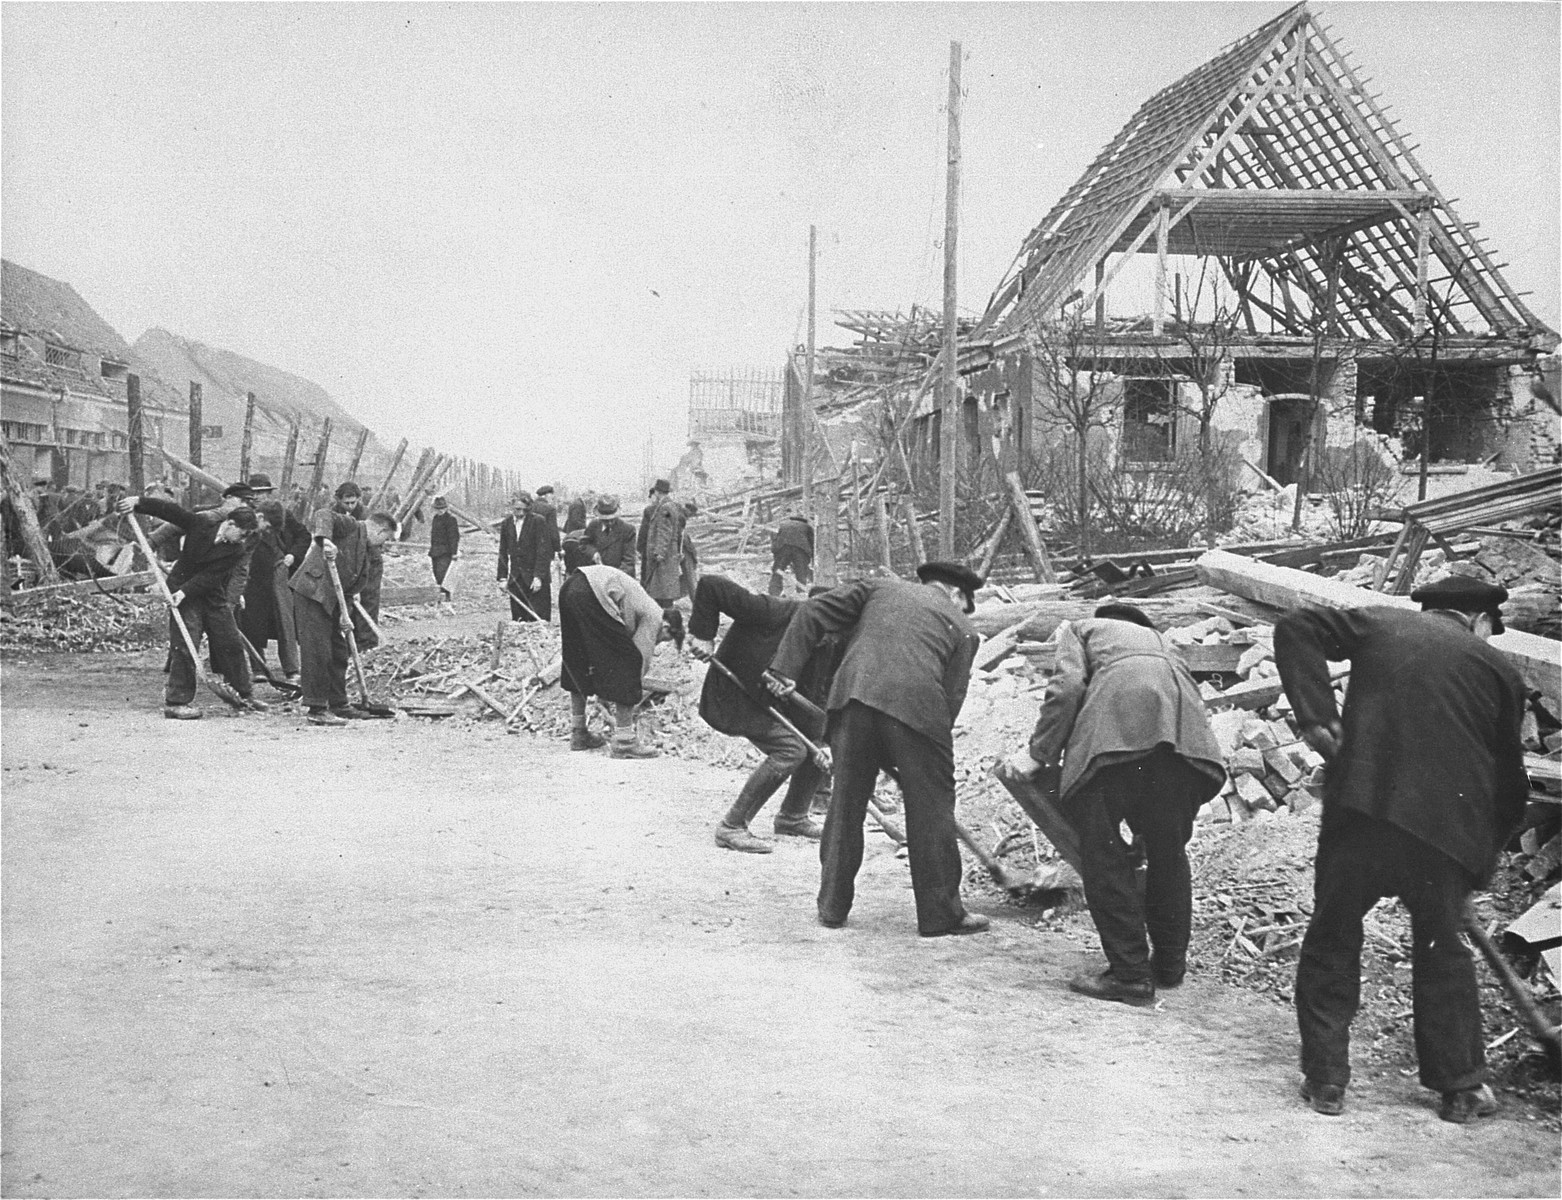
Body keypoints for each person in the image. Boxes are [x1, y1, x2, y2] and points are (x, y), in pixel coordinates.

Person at [1274, 577, 1529, 1124]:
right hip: (1441, 834)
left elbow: (1296, 624)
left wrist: (1317, 715)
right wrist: (1478, 863)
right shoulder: (1499, 670)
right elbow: (1512, 786)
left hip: (1360, 810)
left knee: (1332, 935)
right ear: (1480, 621)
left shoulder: (1380, 623)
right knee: (1442, 950)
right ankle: (1459, 1087)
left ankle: (1326, 1081)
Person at [998, 603, 1226, 1005]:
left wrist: (1038, 753)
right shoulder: (1163, 644)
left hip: (1114, 744)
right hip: (1188, 752)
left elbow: (1067, 689)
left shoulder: (1083, 629)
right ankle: (1169, 967)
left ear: (1106, 620)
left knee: (1103, 857)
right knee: (1168, 854)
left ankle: (1131, 976)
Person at [766, 562, 986, 938]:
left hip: (852, 699)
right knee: (931, 810)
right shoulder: (965, 631)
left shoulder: (879, 589)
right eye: (965, 603)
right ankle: (940, 915)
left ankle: (832, 906)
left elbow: (812, 610)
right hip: (919, 710)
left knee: (846, 803)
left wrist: (785, 669)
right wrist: (920, 763)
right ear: (957, 594)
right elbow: (951, 699)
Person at [689, 576, 838, 853]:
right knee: (791, 749)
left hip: (767, 702)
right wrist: (703, 635)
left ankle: (792, 817)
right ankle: (731, 827)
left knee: (816, 740)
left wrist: (825, 743)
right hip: (734, 694)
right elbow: (710, 586)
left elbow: (816, 700)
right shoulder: (772, 611)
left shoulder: (826, 641)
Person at [115, 492, 260, 719]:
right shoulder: (202, 523)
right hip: (181, 587)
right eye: (241, 534)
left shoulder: (236, 549)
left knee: (229, 640)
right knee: (185, 642)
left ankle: (244, 695)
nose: (242, 540)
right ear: (229, 524)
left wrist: (185, 592)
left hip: (211, 594)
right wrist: (139, 502)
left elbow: (212, 576)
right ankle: (177, 701)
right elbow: (172, 511)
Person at [557, 556, 684, 758]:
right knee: (629, 662)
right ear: (668, 627)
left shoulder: (642, 603)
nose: (658, 642)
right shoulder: (655, 617)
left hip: (571, 586)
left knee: (578, 657)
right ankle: (625, 741)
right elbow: (638, 661)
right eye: (665, 638)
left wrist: (604, 687)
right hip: (595, 591)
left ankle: (578, 732)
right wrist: (623, 690)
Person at [289, 507, 399, 725]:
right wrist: (325, 541)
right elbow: (323, 513)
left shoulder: (366, 553)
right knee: (317, 649)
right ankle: (316, 707)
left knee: (339, 650)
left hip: (333, 602)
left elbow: (348, 588)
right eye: (385, 539)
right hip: (312, 592)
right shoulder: (349, 526)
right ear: (380, 530)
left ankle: (338, 703)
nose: (383, 545)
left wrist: (344, 615)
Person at [496, 492, 558, 621]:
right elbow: (503, 552)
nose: (521, 513)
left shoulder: (538, 521)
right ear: (512, 507)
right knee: (519, 621)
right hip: (516, 579)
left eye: (525, 510)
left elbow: (543, 551)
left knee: (538, 620)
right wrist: (502, 578)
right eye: (518, 509)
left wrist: (538, 577)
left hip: (535, 580)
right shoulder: (506, 524)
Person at [641, 478, 686, 611]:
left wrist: (659, 552)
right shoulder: (670, 505)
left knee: (662, 588)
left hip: (664, 555)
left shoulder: (665, 507)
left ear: (657, 492)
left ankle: (666, 614)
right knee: (662, 587)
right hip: (669, 553)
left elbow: (664, 531)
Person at [585, 495, 636, 575]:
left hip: (621, 576)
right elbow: (584, 544)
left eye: (612, 519)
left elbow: (628, 561)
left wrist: (615, 577)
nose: (610, 523)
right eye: (606, 520)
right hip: (598, 575)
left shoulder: (628, 530)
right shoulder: (593, 526)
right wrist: (593, 553)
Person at [769, 507, 815, 596]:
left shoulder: (784, 525)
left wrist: (775, 554)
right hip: (801, 550)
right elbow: (812, 543)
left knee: (777, 571)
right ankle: (801, 594)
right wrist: (812, 558)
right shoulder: (807, 527)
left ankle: (774, 593)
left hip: (783, 548)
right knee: (801, 573)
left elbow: (776, 540)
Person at [429, 496, 460, 596]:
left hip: (446, 551)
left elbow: (454, 537)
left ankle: (446, 595)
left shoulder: (451, 520)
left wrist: (454, 553)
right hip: (435, 551)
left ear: (446, 508)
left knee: (444, 574)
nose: (440, 511)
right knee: (436, 574)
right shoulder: (435, 519)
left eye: (442, 508)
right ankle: (440, 594)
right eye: (438, 509)